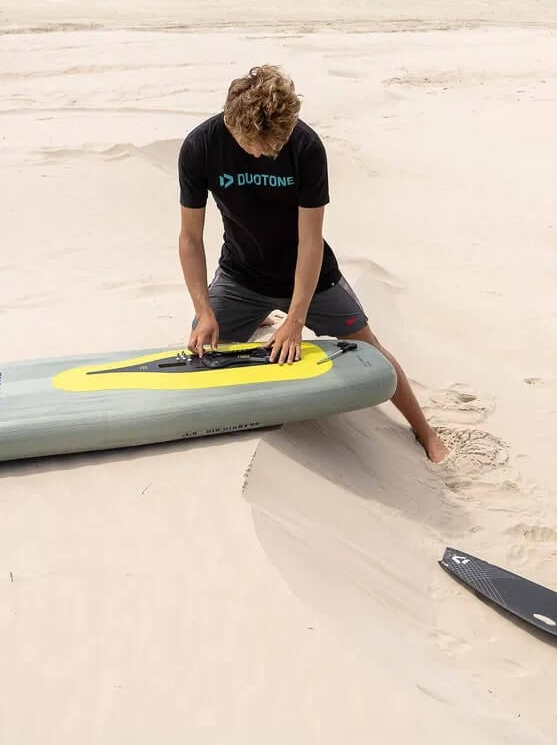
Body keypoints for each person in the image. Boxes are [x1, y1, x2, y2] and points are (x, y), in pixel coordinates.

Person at [177, 65, 450, 463]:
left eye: (271, 147)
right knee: (202, 351)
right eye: (252, 145)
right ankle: (258, 313)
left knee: (371, 349)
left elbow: (310, 242)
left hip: (311, 278)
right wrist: (203, 311)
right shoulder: (201, 146)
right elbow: (189, 238)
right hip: (240, 275)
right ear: (231, 123)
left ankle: (426, 431)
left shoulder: (305, 147)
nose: (261, 154)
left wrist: (296, 319)